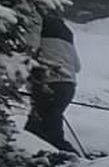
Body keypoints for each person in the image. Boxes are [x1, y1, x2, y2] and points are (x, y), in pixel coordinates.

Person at [25, 9, 79, 152]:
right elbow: (77, 66)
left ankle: (65, 156)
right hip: (69, 85)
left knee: (44, 129)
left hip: (48, 83)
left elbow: (30, 48)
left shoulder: (38, 23)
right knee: (45, 124)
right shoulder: (67, 32)